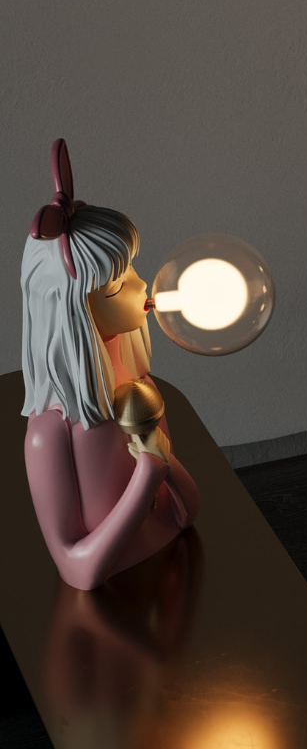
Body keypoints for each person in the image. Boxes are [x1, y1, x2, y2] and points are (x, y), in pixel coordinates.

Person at [22, 140, 201, 592]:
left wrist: (163, 464)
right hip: (114, 605)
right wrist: (147, 476)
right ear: (73, 311)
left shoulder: (138, 384)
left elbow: (185, 515)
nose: (142, 288)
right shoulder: (48, 436)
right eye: (116, 287)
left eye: (132, 269)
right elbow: (77, 571)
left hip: (170, 581)